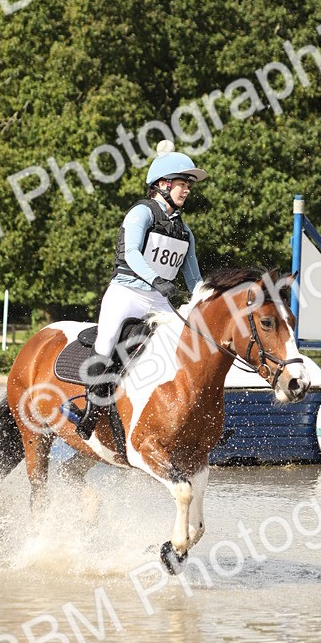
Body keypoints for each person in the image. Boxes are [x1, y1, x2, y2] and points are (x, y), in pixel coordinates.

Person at [76, 139, 206, 440]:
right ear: (162, 184)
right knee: (107, 343)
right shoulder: (141, 213)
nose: (187, 189)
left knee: (193, 345)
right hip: (127, 294)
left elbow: (194, 278)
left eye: (189, 185)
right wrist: (156, 280)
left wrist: (205, 301)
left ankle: (197, 416)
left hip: (159, 302)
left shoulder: (185, 232)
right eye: (182, 183)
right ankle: (91, 414)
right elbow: (132, 254)